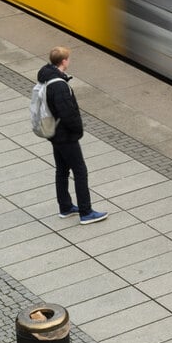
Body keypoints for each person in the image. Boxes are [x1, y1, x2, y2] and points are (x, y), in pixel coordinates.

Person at [38, 47, 107, 225]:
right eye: (68, 59)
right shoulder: (59, 85)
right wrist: (78, 130)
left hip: (55, 132)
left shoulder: (47, 78)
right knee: (80, 171)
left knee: (62, 170)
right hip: (65, 135)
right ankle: (86, 212)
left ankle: (66, 207)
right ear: (64, 61)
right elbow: (67, 113)